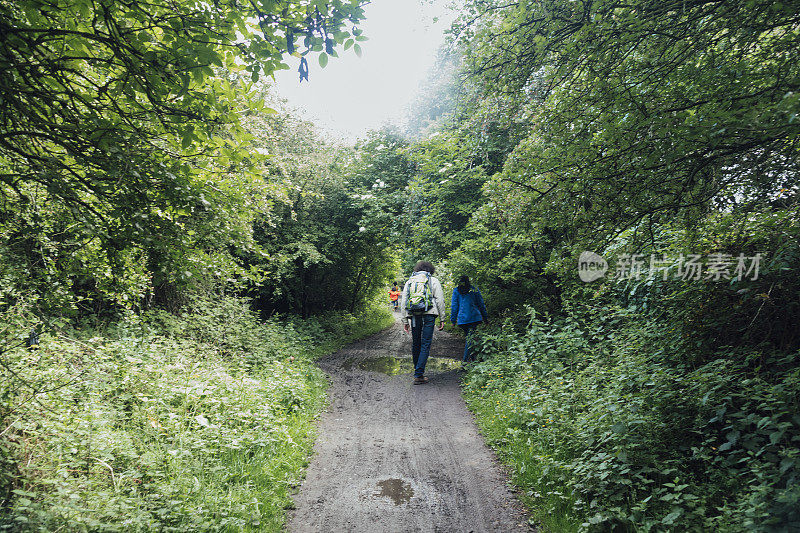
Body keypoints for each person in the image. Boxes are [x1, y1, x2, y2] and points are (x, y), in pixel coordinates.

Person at [400, 261, 445, 384]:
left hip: (414, 315)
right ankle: (418, 374)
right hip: (429, 314)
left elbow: (403, 302)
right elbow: (440, 300)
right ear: (430, 270)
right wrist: (442, 318)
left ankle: (418, 371)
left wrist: (405, 320)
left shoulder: (410, 281)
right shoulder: (433, 280)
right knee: (425, 343)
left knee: (416, 343)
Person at [450, 275, 488, 362]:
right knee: (470, 338)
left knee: (469, 337)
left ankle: (473, 360)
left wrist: (453, 320)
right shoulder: (474, 289)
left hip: (462, 319)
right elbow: (481, 304)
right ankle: (465, 361)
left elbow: (454, 306)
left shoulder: (456, 290)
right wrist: (485, 318)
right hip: (474, 317)